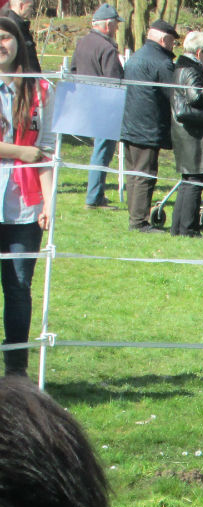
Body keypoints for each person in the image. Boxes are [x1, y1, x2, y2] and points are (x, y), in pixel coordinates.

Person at [0, 10, 51, 377]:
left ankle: (16, 375)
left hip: (24, 208)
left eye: (5, 36)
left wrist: (50, 201)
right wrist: (18, 152)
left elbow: (46, 149)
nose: (0, 44)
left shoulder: (39, 90)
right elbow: (29, 152)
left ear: (18, 41)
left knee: (18, 290)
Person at [119, 19, 176, 233]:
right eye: (171, 42)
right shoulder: (162, 63)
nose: (172, 47)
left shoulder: (134, 58)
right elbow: (172, 94)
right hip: (148, 127)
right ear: (163, 39)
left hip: (130, 124)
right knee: (145, 174)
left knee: (134, 173)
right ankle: (139, 222)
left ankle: (134, 215)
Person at [168, 30, 203, 237]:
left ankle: (179, 227)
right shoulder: (191, 70)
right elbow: (195, 96)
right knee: (195, 181)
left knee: (189, 180)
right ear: (199, 53)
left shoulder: (183, 67)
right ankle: (188, 228)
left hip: (186, 132)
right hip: (193, 134)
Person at [71, 3, 123, 210]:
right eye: (116, 25)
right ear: (108, 25)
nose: (117, 29)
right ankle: (93, 198)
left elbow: (73, 69)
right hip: (104, 105)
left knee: (99, 150)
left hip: (86, 102)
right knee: (102, 152)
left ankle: (97, 194)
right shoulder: (107, 48)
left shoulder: (82, 42)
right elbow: (114, 81)